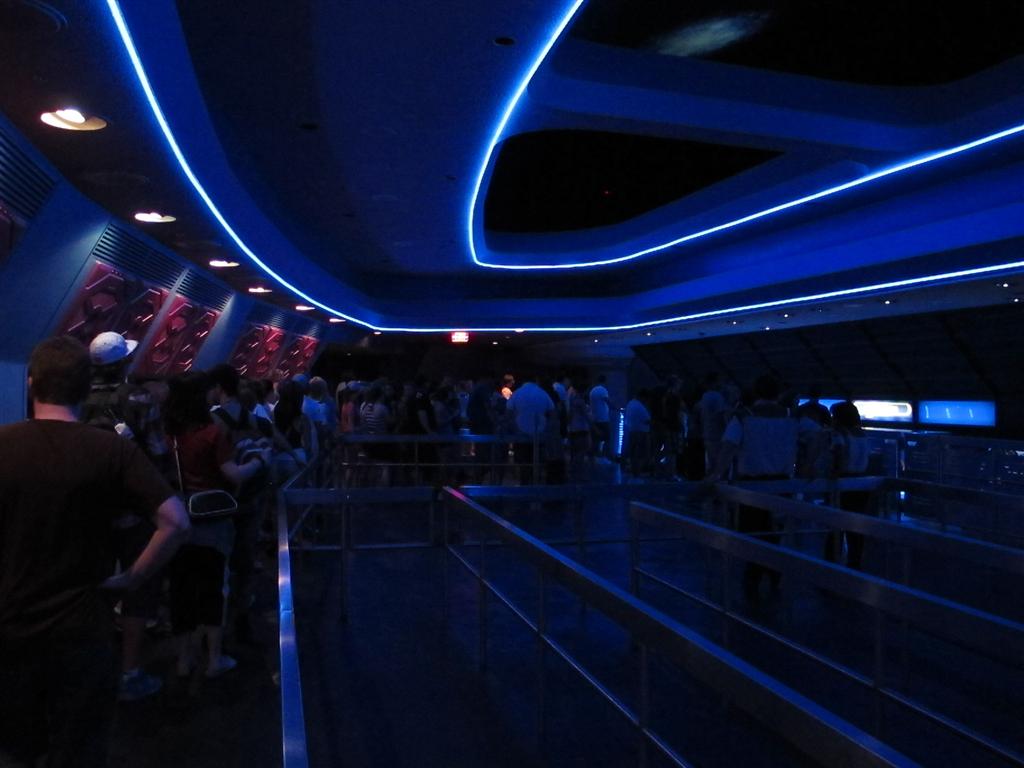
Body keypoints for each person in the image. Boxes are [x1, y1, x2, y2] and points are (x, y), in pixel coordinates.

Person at [0, 336, 189, 768]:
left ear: (31, 384)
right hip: (83, 626)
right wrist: (131, 578)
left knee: (16, 750)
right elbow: (176, 522)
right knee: (79, 748)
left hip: (10, 628)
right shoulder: (112, 450)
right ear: (86, 387)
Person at [80, 331, 171, 702]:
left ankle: (92, 667)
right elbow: (157, 450)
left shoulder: (77, 398)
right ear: (125, 362)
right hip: (134, 507)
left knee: (94, 583)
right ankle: (130, 672)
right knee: (138, 586)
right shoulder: (137, 398)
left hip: (90, 508)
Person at [164, 371, 270, 679]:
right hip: (212, 521)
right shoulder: (212, 433)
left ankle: (183, 660)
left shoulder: (168, 435)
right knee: (213, 587)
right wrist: (259, 461)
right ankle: (213, 659)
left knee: (182, 590)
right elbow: (233, 474)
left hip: (178, 518)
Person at [709, 374, 798, 598]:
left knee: (753, 533)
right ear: (779, 393)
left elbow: (728, 447)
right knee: (774, 532)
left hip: (751, 485)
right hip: (782, 483)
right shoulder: (790, 416)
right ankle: (773, 574)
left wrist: (716, 475)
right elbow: (815, 436)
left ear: (755, 391)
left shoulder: (743, 417)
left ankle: (753, 578)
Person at [825, 401, 872, 569]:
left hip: (843, 483)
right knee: (856, 526)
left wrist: (832, 472)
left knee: (836, 525)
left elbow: (839, 457)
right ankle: (855, 562)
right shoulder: (863, 435)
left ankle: (831, 563)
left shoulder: (839, 434)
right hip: (861, 484)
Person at [625, 389, 652, 477]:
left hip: (631, 431)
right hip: (641, 432)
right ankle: (638, 472)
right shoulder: (640, 406)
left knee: (633, 453)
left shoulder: (630, 403)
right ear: (643, 397)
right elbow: (647, 419)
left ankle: (634, 471)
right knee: (640, 453)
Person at [589, 375, 612, 460]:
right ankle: (604, 457)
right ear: (604, 381)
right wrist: (616, 408)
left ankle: (594, 458)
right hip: (603, 418)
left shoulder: (592, 391)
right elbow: (608, 401)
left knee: (595, 440)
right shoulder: (603, 390)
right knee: (607, 439)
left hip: (594, 418)